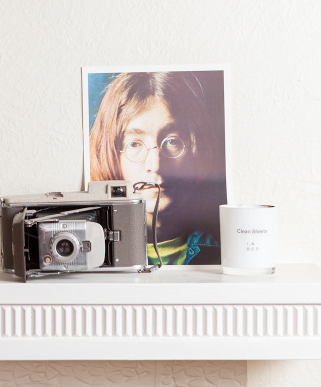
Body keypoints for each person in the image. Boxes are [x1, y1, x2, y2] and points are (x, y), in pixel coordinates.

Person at [89, 72, 226, 265]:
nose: (155, 166)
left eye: (172, 141)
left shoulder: (224, 247)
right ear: (111, 155)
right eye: (134, 144)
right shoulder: (93, 250)